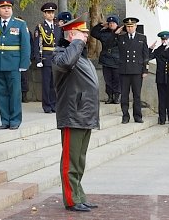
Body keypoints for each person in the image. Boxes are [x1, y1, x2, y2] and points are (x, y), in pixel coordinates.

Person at [52, 12, 100, 212]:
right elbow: (64, 63)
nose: (86, 36)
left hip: (85, 114)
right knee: (70, 162)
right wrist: (76, 43)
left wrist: (78, 45)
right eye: (81, 33)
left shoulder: (79, 55)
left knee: (79, 161)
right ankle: (71, 200)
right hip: (73, 114)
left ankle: (79, 195)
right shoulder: (61, 54)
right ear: (71, 35)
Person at [0, 0, 31, 129]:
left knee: (15, 93)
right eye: (3, 8)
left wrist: (24, 64)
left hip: (14, 65)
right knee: (0, 93)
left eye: (9, 8)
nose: (6, 10)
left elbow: (26, 45)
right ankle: (5, 121)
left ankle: (15, 120)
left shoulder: (20, 24)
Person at [117, 17, 149, 123]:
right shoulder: (121, 38)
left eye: (132, 26)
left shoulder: (142, 38)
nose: (130, 28)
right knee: (124, 95)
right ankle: (125, 116)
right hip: (124, 70)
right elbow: (111, 43)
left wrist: (145, 70)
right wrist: (117, 32)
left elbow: (145, 55)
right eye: (128, 26)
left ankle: (137, 116)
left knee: (137, 95)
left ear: (135, 26)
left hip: (137, 70)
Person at [34, 2, 62, 113]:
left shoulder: (58, 26)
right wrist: (38, 59)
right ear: (44, 14)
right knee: (46, 83)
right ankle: (46, 106)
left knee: (54, 83)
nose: (51, 15)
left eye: (52, 12)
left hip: (56, 57)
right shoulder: (40, 27)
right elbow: (37, 44)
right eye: (48, 13)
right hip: (45, 57)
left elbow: (60, 42)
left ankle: (54, 104)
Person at [91, 14, 121, 104]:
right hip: (106, 59)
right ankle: (110, 96)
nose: (111, 24)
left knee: (116, 79)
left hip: (117, 60)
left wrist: (116, 34)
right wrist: (100, 25)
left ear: (117, 24)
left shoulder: (121, 33)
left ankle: (116, 96)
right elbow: (94, 33)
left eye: (113, 23)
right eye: (110, 23)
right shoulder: (104, 33)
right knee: (107, 79)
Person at [149, 31, 169, 125]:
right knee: (162, 99)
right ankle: (162, 118)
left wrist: (168, 49)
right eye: (163, 39)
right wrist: (150, 49)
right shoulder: (158, 50)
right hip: (161, 78)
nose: (164, 41)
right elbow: (148, 57)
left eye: (166, 39)